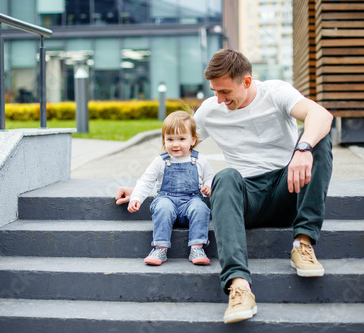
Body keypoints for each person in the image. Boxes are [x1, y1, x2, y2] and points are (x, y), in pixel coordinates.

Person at [116, 49, 333, 324]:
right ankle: (239, 287)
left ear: (246, 81)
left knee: (318, 138)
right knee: (225, 175)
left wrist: (303, 149)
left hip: (286, 188)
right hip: (246, 199)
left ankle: (302, 244)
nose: (218, 99)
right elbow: (178, 144)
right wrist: (138, 189)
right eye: (214, 91)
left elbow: (321, 115)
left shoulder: (275, 92)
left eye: (224, 91)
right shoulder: (211, 109)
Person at [126, 110, 215, 266]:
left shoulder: (199, 159)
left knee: (201, 209)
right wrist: (136, 198)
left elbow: (210, 177)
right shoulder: (160, 161)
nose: (175, 144)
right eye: (170, 139)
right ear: (164, 140)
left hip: (191, 200)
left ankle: (197, 247)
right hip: (167, 198)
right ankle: (160, 248)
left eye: (181, 139)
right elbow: (146, 181)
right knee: (163, 207)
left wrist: (208, 185)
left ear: (193, 140)